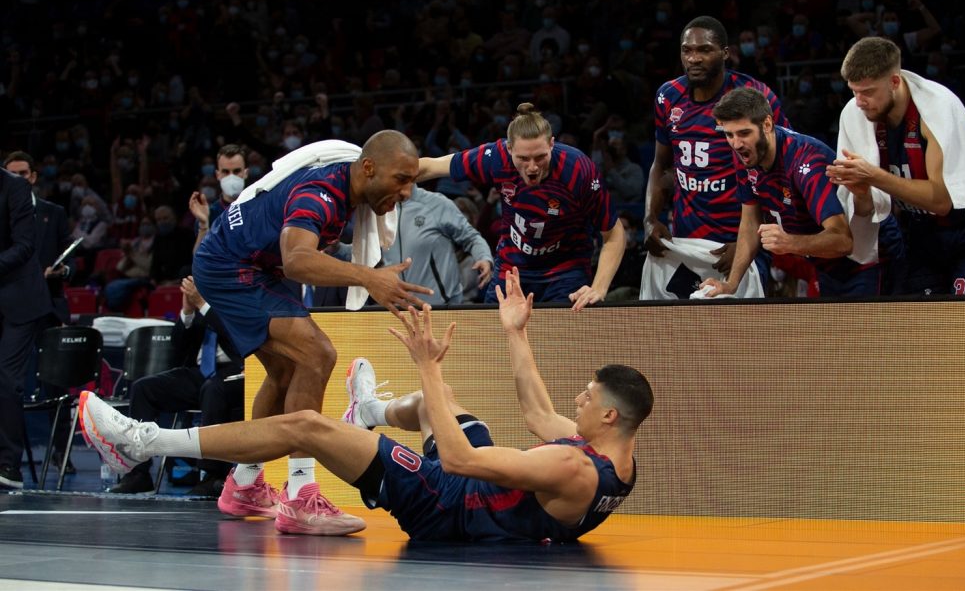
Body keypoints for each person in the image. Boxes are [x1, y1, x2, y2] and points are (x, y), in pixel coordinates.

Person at [78, 267, 653, 541]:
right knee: (440, 406)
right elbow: (535, 415)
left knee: (307, 425)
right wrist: (516, 333)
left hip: (443, 503)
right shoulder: (614, 464)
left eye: (587, 395)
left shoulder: (571, 465)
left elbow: (455, 460)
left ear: (608, 415)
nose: (576, 399)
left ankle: (141, 444)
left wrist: (427, 365)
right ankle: (373, 411)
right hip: (481, 495)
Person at [191, 129, 431, 535]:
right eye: (401, 179)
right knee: (318, 355)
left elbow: (305, 247)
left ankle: (245, 483)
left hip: (251, 262)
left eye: (411, 181)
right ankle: (300, 497)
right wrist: (368, 277)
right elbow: (298, 260)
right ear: (368, 168)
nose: (407, 192)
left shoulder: (346, 187)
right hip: (231, 266)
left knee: (286, 371)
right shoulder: (321, 191)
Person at [827, 37, 965, 295]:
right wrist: (861, 192)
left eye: (867, 92)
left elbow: (942, 202)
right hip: (921, 233)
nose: (859, 101)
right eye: (853, 91)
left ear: (895, 82)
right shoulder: (854, 115)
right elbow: (866, 210)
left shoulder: (937, 107)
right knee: (919, 326)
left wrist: (873, 176)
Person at [418, 103, 626, 311]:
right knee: (494, 341)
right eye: (523, 158)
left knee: (558, 342)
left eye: (540, 157)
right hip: (512, 269)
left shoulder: (578, 170)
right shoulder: (496, 158)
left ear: (552, 144)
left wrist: (599, 288)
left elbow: (614, 234)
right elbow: (431, 166)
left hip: (565, 272)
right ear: (509, 149)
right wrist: (387, 174)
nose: (533, 167)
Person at [644, 16, 790, 299]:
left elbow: (782, 172)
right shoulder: (667, 96)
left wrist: (749, 242)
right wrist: (650, 218)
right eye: (687, 51)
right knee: (684, 334)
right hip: (686, 242)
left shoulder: (756, 97)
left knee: (742, 335)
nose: (694, 59)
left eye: (705, 50)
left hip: (736, 242)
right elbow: (661, 165)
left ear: (725, 53)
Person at [699, 87, 884, 298]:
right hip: (826, 267)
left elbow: (843, 240)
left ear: (767, 124)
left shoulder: (806, 162)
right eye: (729, 135)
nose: (736, 144)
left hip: (868, 261)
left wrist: (789, 242)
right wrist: (731, 285)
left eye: (744, 133)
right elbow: (750, 222)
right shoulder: (745, 155)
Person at [107, 276, 243, 496]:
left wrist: (203, 306)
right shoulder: (202, 295)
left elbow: (237, 335)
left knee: (213, 390)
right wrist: (188, 312)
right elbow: (178, 349)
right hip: (201, 371)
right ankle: (138, 473)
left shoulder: (241, 293)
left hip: (238, 370)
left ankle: (212, 476)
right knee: (144, 388)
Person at [5, 152, 77, 471]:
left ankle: (19, 462)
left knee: (41, 382)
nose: (20, 176)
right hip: (18, 293)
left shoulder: (45, 208)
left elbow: (26, 247)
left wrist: (62, 270)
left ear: (32, 176)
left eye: (24, 172)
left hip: (32, 300)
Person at [0, 168, 51, 490]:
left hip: (18, 300)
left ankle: (9, 466)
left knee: (6, 378)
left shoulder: (14, 187)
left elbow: (24, 245)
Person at [381, 185, 493, 305]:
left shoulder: (436, 204)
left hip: (441, 307)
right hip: (396, 309)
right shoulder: (379, 208)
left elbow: (471, 237)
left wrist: (484, 257)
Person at [191, 143, 249, 252]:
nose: (231, 176)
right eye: (226, 172)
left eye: (236, 171)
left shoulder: (259, 207)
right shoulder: (208, 215)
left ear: (245, 173)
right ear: (218, 175)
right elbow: (200, 262)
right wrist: (204, 225)